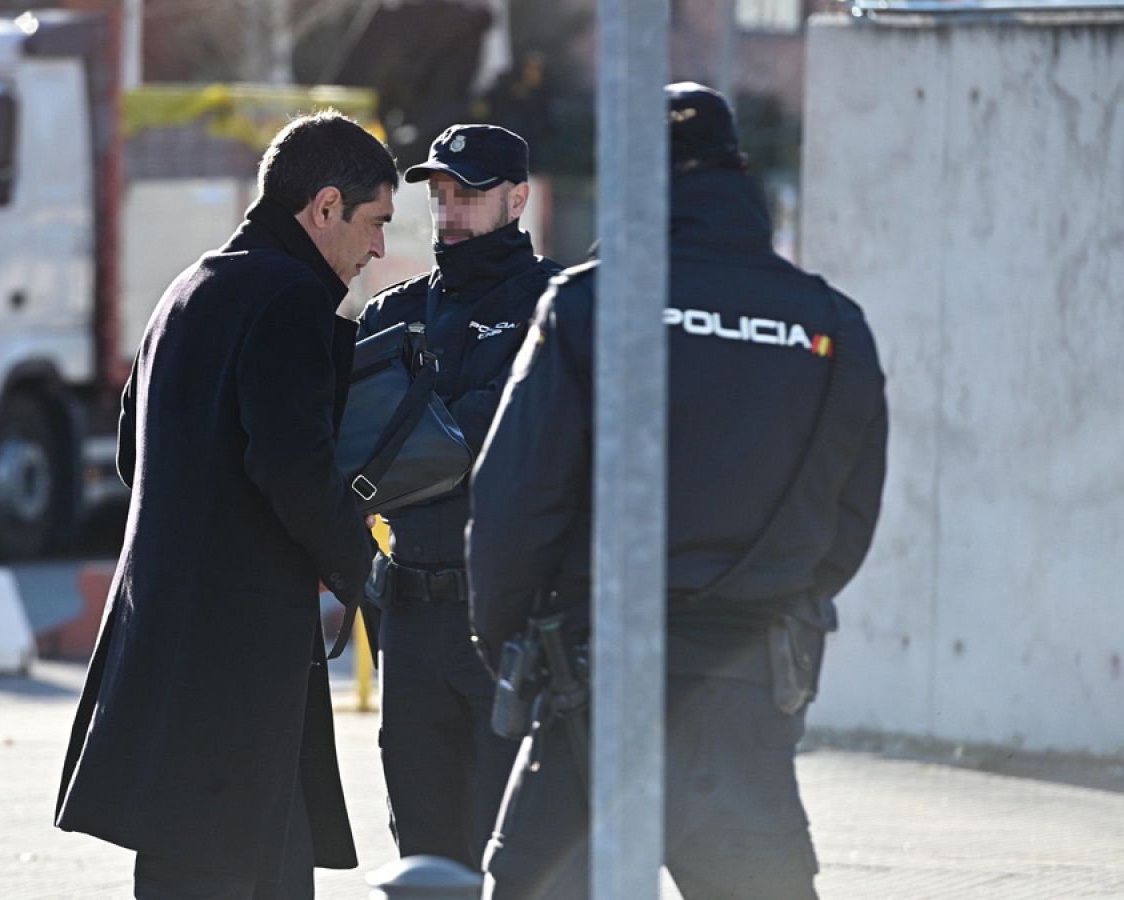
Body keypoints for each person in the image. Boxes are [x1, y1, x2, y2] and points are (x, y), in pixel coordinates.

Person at [467, 83, 888, 899]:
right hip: (749, 690)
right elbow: (850, 520)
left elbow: (514, 504)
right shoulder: (833, 327)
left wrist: (515, 649)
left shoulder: (592, 307)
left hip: (592, 688)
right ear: (738, 174)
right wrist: (764, 610)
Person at [55, 111, 397, 899]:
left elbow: (132, 456)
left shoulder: (190, 286)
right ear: (323, 207)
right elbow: (294, 467)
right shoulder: (290, 299)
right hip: (238, 669)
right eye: (373, 223)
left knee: (210, 870)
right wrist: (368, 577)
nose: (378, 248)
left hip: (168, 645)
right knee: (239, 870)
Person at [356, 123, 561, 869]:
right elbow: (359, 454)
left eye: (468, 195)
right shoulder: (390, 315)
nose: (449, 211)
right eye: (440, 194)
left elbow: (476, 445)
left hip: (505, 620)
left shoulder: (557, 310)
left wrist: (418, 426)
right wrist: (441, 426)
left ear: (517, 199)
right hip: (408, 616)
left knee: (510, 852)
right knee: (422, 850)